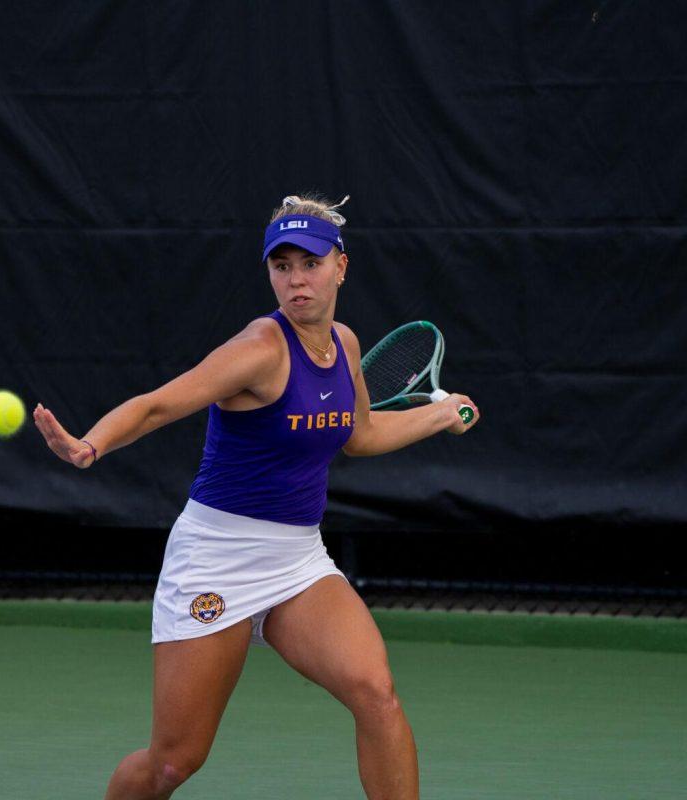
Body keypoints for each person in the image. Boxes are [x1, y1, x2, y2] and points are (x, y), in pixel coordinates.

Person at [33, 194, 479, 800]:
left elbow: (360, 435)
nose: (296, 280)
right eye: (282, 266)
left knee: (375, 693)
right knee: (173, 763)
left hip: (297, 560)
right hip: (216, 557)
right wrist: (92, 446)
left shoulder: (343, 344)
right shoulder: (259, 350)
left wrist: (442, 413)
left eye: (310, 263)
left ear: (340, 266)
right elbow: (160, 403)